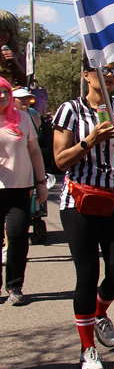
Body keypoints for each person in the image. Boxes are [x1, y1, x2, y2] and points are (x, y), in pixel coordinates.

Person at [52, 57, 114, 369]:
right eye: (103, 70)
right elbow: (60, 160)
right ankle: (87, 349)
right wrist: (90, 141)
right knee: (87, 275)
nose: (110, 76)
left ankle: (100, 313)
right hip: (79, 201)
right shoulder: (70, 110)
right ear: (86, 75)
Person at [0, 78, 48, 305]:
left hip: (20, 188)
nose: (2, 96)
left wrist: (41, 182)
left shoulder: (22, 118)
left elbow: (35, 151)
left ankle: (15, 286)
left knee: (18, 236)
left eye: (5, 92)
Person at [0, 11, 26, 86]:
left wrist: (15, 63)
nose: (0, 34)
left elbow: (26, 82)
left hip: (8, 96)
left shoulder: (18, 56)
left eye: (4, 31)